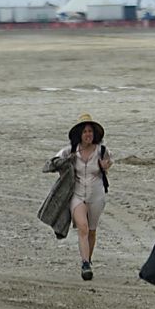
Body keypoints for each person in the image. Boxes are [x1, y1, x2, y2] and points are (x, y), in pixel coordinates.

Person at [40, 113, 113, 280]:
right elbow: (50, 164)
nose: (88, 135)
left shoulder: (102, 151)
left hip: (97, 195)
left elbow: (109, 163)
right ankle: (85, 263)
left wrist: (105, 166)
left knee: (92, 231)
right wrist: (64, 163)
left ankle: (88, 259)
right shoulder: (70, 151)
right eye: (85, 131)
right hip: (77, 194)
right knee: (83, 227)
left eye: (90, 131)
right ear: (79, 134)